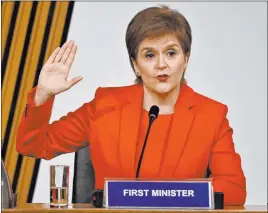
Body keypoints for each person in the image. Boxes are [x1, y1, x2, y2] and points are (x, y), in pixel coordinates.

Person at [16, 5, 246, 205]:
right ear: (135, 64)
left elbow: (234, 189)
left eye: (171, 53)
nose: (161, 65)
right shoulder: (105, 105)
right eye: (149, 55)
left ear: (185, 59)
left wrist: (166, 197)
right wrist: (43, 96)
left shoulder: (211, 115)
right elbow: (35, 146)